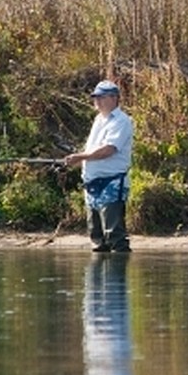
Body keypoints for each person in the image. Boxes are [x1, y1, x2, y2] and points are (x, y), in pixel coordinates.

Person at [64, 80, 134, 253]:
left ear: (114, 98)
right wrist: (77, 161)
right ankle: (96, 278)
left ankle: (117, 277)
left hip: (112, 183)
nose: (97, 101)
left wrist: (80, 157)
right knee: (96, 237)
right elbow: (93, 151)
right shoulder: (98, 120)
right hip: (91, 185)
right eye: (95, 97)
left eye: (101, 97)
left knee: (114, 235)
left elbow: (108, 150)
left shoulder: (122, 121)